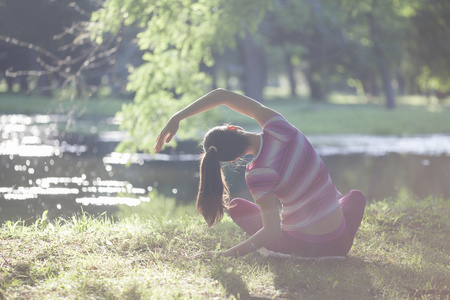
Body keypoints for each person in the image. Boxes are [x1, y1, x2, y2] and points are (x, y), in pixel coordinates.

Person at [155, 88, 366, 258]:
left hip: (301, 247)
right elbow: (223, 95)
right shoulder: (279, 126)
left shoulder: (257, 174)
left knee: (237, 206)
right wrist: (177, 117)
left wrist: (225, 255)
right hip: (340, 243)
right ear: (232, 127)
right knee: (355, 197)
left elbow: (272, 232)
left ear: (234, 159)